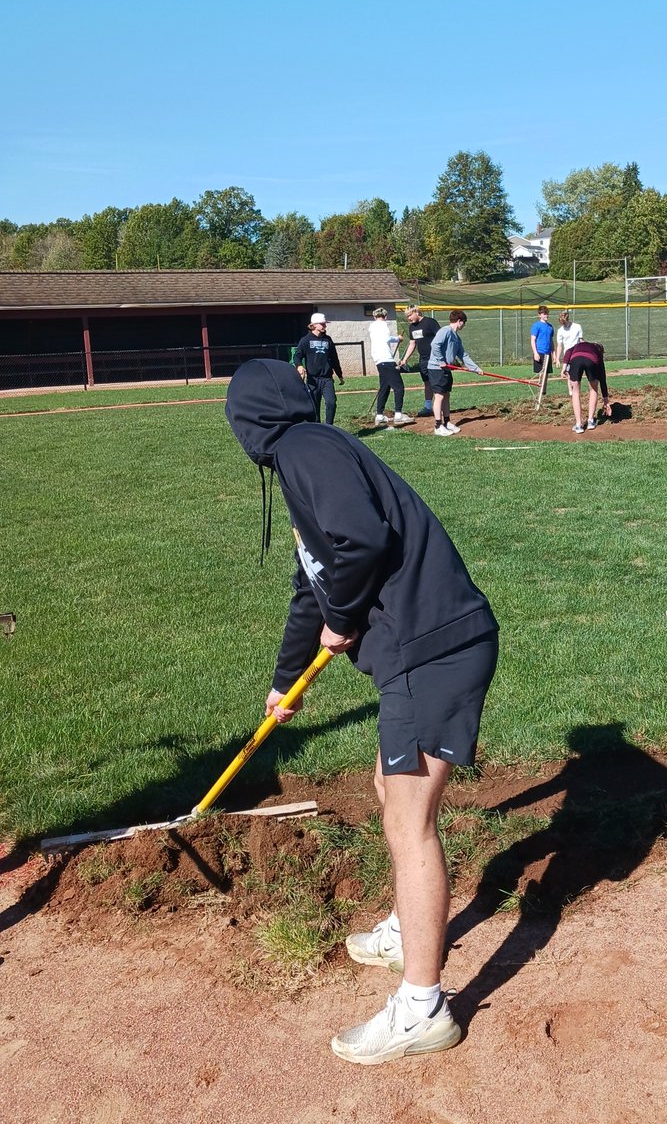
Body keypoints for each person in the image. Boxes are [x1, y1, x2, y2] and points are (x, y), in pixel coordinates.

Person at [224, 358, 499, 1063]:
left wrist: (342, 618)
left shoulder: (307, 449)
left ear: (246, 423)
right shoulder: (305, 462)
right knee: (389, 790)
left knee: (411, 821)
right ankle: (411, 927)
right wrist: (289, 684)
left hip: (432, 649)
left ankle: (423, 1007)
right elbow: (309, 585)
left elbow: (362, 543)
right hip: (420, 650)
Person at [427, 310, 483, 437]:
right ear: (459, 321)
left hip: (446, 369)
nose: (464, 325)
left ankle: (447, 422)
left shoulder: (456, 337)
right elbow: (435, 344)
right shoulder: (445, 331)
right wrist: (441, 361)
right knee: (439, 396)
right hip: (436, 368)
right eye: (464, 323)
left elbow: (463, 355)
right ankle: (437, 425)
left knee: (446, 395)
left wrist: (476, 368)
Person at [293, 312, 344, 425]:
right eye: (322, 324)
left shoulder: (328, 340)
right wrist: (299, 366)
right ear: (314, 325)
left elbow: (334, 359)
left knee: (331, 403)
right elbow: (297, 356)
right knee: (314, 407)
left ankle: (329, 426)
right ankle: (318, 428)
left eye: (325, 324)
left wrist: (340, 375)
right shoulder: (305, 340)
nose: (325, 326)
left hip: (327, 379)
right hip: (313, 380)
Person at [369, 307, 411, 430]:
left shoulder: (372, 326)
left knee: (385, 387)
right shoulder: (383, 325)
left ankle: (380, 415)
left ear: (374, 316)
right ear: (386, 316)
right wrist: (398, 338)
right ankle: (398, 414)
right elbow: (386, 338)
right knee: (399, 387)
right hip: (386, 360)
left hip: (378, 360)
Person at [562, 339, 611, 433]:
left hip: (576, 360)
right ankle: (591, 421)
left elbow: (568, 351)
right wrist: (606, 401)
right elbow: (603, 379)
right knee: (593, 389)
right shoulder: (597, 353)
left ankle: (578, 425)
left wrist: (564, 367)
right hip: (591, 360)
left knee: (575, 391)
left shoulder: (579, 345)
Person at [399, 307, 439, 418]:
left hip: (434, 358)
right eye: (407, 317)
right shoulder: (411, 327)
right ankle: (427, 407)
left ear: (416, 312)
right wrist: (405, 359)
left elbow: (440, 338)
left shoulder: (430, 322)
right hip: (423, 360)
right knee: (427, 383)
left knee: (436, 383)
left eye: (410, 315)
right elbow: (412, 344)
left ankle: (439, 406)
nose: (408, 318)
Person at [554, 310, 582, 378]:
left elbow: (581, 340)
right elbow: (559, 345)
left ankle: (576, 388)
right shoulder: (560, 330)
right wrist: (557, 359)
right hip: (567, 355)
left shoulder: (577, 326)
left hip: (577, 353)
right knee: (568, 374)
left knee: (577, 375)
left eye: (565, 323)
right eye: (562, 323)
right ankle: (570, 389)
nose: (564, 325)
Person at [530, 305, 554, 379]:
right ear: (539, 315)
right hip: (540, 352)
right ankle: (540, 390)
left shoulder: (550, 326)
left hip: (548, 353)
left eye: (546, 313)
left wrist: (554, 354)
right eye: (544, 314)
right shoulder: (536, 326)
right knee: (541, 374)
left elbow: (551, 341)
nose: (546, 315)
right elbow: (533, 340)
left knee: (546, 374)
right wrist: (535, 353)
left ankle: (544, 390)